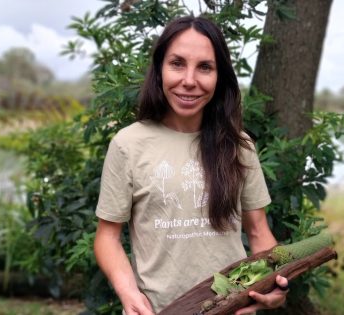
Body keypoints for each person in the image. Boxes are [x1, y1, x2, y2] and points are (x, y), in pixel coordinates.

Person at [93, 16, 288, 315]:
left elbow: (259, 230)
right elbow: (107, 237)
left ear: (220, 76)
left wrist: (273, 287)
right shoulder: (128, 144)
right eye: (177, 63)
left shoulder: (239, 145)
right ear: (159, 69)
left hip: (231, 308)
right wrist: (128, 292)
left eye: (205, 67)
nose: (189, 80)